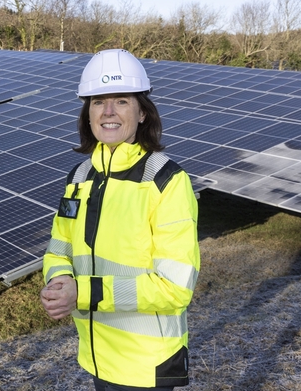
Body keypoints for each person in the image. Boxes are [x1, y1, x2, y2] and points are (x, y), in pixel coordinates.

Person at [40, 49, 200, 391]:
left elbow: (175, 287)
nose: (108, 112)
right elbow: (58, 250)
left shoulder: (166, 181)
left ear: (143, 112)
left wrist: (81, 292)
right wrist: (59, 284)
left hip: (145, 366)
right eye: (98, 101)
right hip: (98, 357)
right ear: (88, 112)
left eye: (121, 101)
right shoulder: (79, 177)